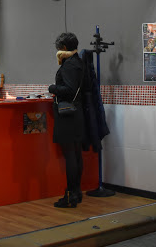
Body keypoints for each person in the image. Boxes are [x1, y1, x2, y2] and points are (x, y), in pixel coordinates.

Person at [48, 32, 85, 208]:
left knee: (70, 155)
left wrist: (52, 88)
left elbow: (69, 89)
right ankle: (76, 192)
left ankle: (70, 195)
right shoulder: (80, 62)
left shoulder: (69, 65)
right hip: (77, 113)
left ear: (63, 47)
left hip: (67, 115)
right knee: (76, 155)